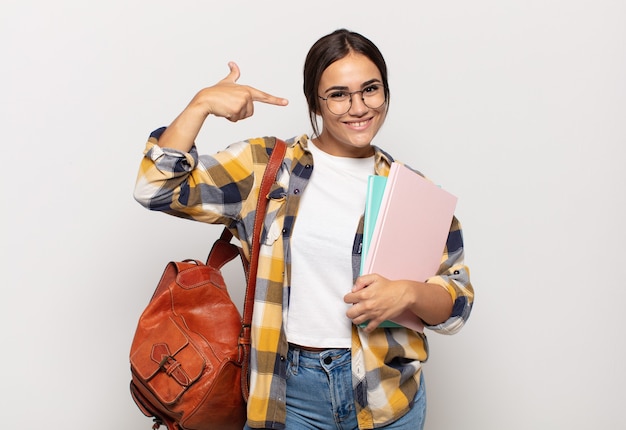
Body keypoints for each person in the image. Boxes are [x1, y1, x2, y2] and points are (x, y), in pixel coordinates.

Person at [134, 28, 474, 430]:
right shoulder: (267, 168)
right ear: (315, 100)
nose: (359, 106)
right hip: (288, 396)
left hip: (387, 398)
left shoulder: (412, 193)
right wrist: (199, 106)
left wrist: (409, 293)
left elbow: (456, 305)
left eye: (371, 89)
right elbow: (157, 187)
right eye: (339, 94)